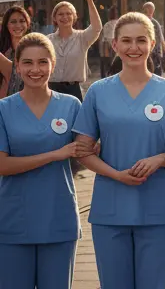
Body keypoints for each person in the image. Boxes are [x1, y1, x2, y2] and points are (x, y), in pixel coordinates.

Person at [72, 12, 165, 289]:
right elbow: (82, 151)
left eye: (141, 40)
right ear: (114, 45)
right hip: (110, 208)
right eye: (126, 41)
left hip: (156, 209)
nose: (134, 47)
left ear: (153, 44)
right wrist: (116, 175)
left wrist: (160, 158)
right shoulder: (98, 92)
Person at [0, 34, 91, 289]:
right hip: (14, 221)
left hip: (58, 219)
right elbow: (2, 166)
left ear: (53, 64)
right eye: (27, 63)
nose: (35, 69)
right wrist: (55, 154)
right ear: (17, 67)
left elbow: (85, 153)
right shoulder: (3, 109)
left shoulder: (71, 105)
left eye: (42, 62)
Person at [47, 0, 102, 100]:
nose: (65, 17)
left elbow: (97, 27)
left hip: (74, 90)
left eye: (68, 14)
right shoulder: (47, 40)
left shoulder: (82, 38)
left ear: (74, 17)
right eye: (60, 14)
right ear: (54, 18)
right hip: (51, 90)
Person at [0, 6, 31, 97]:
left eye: (22, 21)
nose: (18, 25)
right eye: (13, 22)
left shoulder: (34, 48)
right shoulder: (2, 49)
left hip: (29, 98)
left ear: (27, 24)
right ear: (7, 25)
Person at [142, 2, 165, 77]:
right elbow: (161, 39)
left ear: (151, 11)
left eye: (146, 11)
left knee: (154, 74)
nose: (144, 13)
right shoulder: (143, 23)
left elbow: (161, 38)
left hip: (154, 54)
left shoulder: (154, 23)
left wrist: (164, 50)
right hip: (148, 53)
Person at [100, 7, 119, 78]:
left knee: (107, 68)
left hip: (107, 48)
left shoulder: (107, 25)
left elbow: (104, 37)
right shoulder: (119, 23)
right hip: (116, 47)